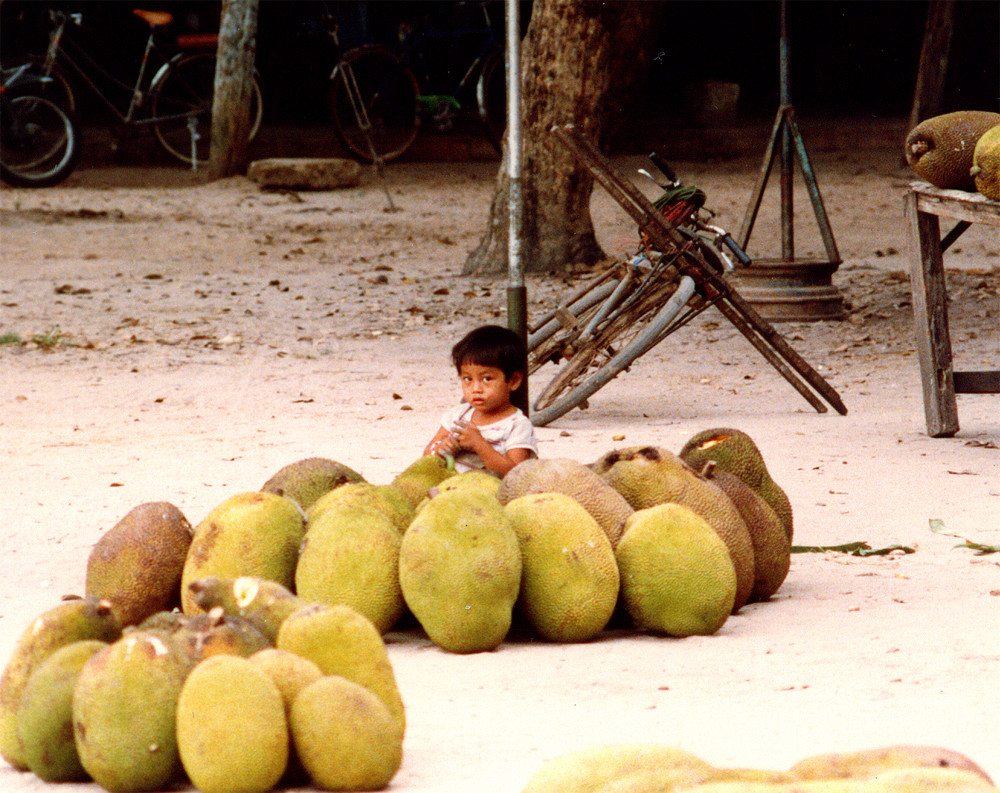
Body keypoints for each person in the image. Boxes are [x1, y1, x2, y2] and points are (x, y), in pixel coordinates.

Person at [424, 325, 538, 476]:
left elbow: (517, 475)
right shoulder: (457, 416)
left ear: (513, 381)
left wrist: (480, 445)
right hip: (452, 491)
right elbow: (426, 457)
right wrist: (441, 449)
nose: (476, 388)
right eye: (468, 379)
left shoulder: (516, 425)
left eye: (487, 379)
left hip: (492, 495)